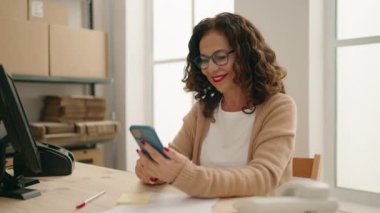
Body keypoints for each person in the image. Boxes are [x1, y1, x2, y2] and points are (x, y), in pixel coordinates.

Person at [135, 12, 297, 198]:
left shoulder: (279, 107)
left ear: (245, 55)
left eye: (220, 57)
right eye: (203, 60)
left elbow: (262, 178)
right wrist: (152, 170)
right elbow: (175, 156)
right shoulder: (202, 109)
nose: (210, 69)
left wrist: (184, 174)